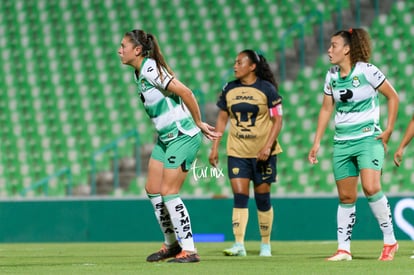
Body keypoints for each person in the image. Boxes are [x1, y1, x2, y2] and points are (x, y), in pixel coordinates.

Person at [118, 29, 220, 263]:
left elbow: (185, 92)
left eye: (123, 46)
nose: (119, 50)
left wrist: (198, 121)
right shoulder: (140, 71)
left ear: (137, 50)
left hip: (182, 135)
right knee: (153, 189)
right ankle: (172, 245)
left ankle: (190, 250)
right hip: (166, 137)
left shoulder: (151, 68)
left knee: (169, 192)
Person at [308, 28, 399, 261]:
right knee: (346, 197)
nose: (329, 50)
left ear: (347, 49)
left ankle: (390, 241)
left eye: (334, 45)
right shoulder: (331, 76)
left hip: (369, 138)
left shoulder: (367, 71)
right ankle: (343, 249)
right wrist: (316, 141)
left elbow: (393, 97)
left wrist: (388, 130)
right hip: (342, 143)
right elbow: (326, 108)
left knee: (370, 187)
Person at [209, 49, 283, 257]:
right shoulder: (229, 89)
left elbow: (278, 120)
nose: (235, 66)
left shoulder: (267, 90)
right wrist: (215, 146)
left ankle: (265, 245)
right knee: (240, 196)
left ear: (252, 67)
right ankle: (239, 244)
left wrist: (268, 146)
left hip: (263, 153)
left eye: (239, 62)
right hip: (237, 151)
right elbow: (222, 119)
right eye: (234, 62)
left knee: (262, 199)